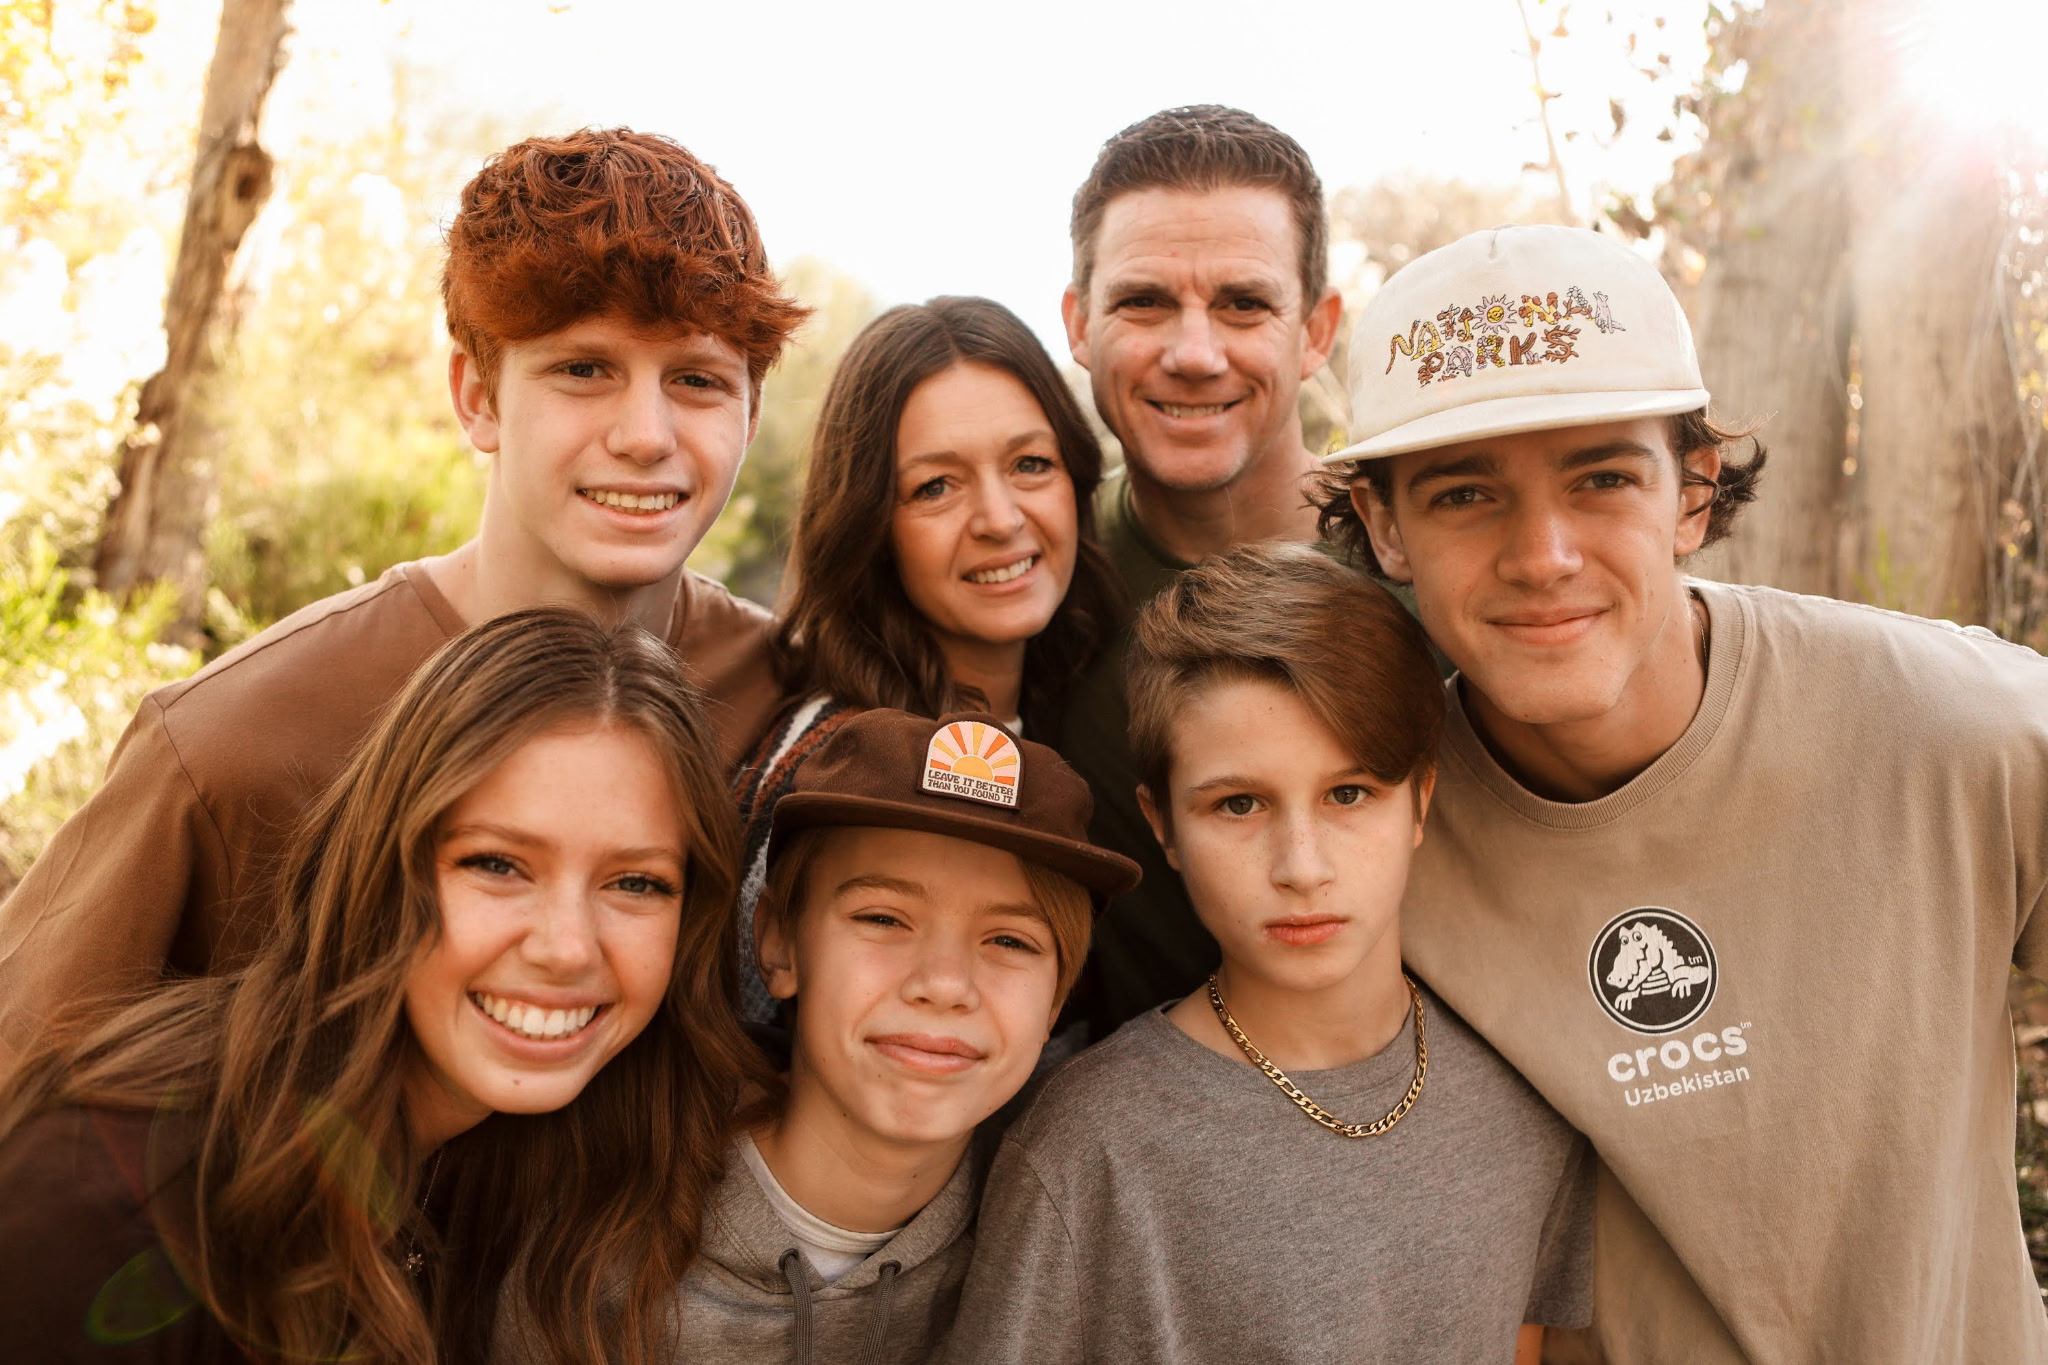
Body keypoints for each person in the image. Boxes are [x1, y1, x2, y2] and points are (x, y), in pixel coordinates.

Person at [1314, 223, 2048, 1361]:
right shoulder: (1361, 835)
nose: (1542, 552)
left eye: (1601, 476)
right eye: (1464, 494)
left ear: (1692, 492)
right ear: (1382, 527)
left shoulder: (1963, 730)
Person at [0, 127, 807, 1076]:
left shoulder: (784, 705)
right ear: (479, 397)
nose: (645, 434)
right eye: (583, 369)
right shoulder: (234, 745)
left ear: (752, 411)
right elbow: (29, 1086)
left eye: (697, 381)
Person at [0, 608, 766, 1364]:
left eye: (636, 881)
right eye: (495, 864)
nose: (567, 948)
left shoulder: (517, 1171)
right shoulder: (118, 1190)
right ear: (381, 869)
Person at [948, 544, 1591, 1365]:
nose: (1301, 866)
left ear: (1422, 801)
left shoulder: (1526, 1096)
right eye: (1239, 803)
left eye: (1349, 794)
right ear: (1162, 825)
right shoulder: (1089, 1146)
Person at [500, 708, 1138, 1363]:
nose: (946, 984)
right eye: (884, 917)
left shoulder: (1057, 1249)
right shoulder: (590, 1234)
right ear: (778, 940)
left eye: (1010, 939)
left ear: (1059, 994)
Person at [733, 296, 1121, 1021]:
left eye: (1031, 463)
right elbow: (732, 1039)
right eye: (935, 486)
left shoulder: (1069, 713)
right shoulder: (832, 766)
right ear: (872, 527)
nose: (1001, 519)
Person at [1048, 104, 1345, 1035]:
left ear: (1317, 331)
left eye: (1243, 304)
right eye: (1143, 301)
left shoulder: (1431, 565)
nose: (1193, 353)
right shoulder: (1026, 576)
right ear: (1079, 323)